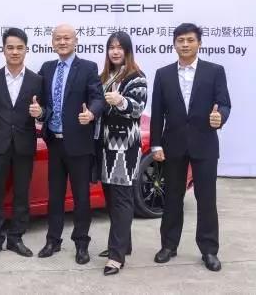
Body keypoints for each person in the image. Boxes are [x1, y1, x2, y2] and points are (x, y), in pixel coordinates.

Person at [150, 23, 231, 272]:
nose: (185, 44)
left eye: (190, 40)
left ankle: (209, 250)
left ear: (199, 43)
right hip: (173, 145)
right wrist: (155, 144)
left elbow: (224, 104)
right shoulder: (163, 74)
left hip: (204, 143)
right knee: (172, 197)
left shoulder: (214, 71)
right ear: (174, 44)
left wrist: (220, 117)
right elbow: (157, 113)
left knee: (206, 199)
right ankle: (168, 245)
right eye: (180, 40)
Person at [37, 24, 105, 264]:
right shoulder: (46, 68)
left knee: (81, 198)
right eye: (58, 38)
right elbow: (40, 100)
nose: (62, 42)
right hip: (54, 143)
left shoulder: (88, 67)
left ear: (75, 41)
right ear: (52, 42)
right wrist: (39, 111)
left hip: (79, 143)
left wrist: (91, 113)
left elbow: (97, 98)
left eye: (67, 38)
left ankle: (81, 243)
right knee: (54, 196)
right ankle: (53, 240)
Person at [0, 28, 44, 259]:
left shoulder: (37, 80)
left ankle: (16, 238)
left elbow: (45, 111)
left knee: (21, 193)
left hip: (24, 145)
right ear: (3, 50)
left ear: (26, 50)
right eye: (10, 47)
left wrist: (40, 113)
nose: (15, 52)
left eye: (19, 48)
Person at [95, 31, 147, 275]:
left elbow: (137, 108)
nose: (115, 51)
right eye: (111, 47)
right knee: (111, 199)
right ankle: (123, 245)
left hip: (124, 148)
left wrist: (120, 101)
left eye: (120, 47)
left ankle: (116, 257)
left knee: (122, 200)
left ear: (127, 51)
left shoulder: (136, 76)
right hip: (105, 146)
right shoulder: (105, 76)